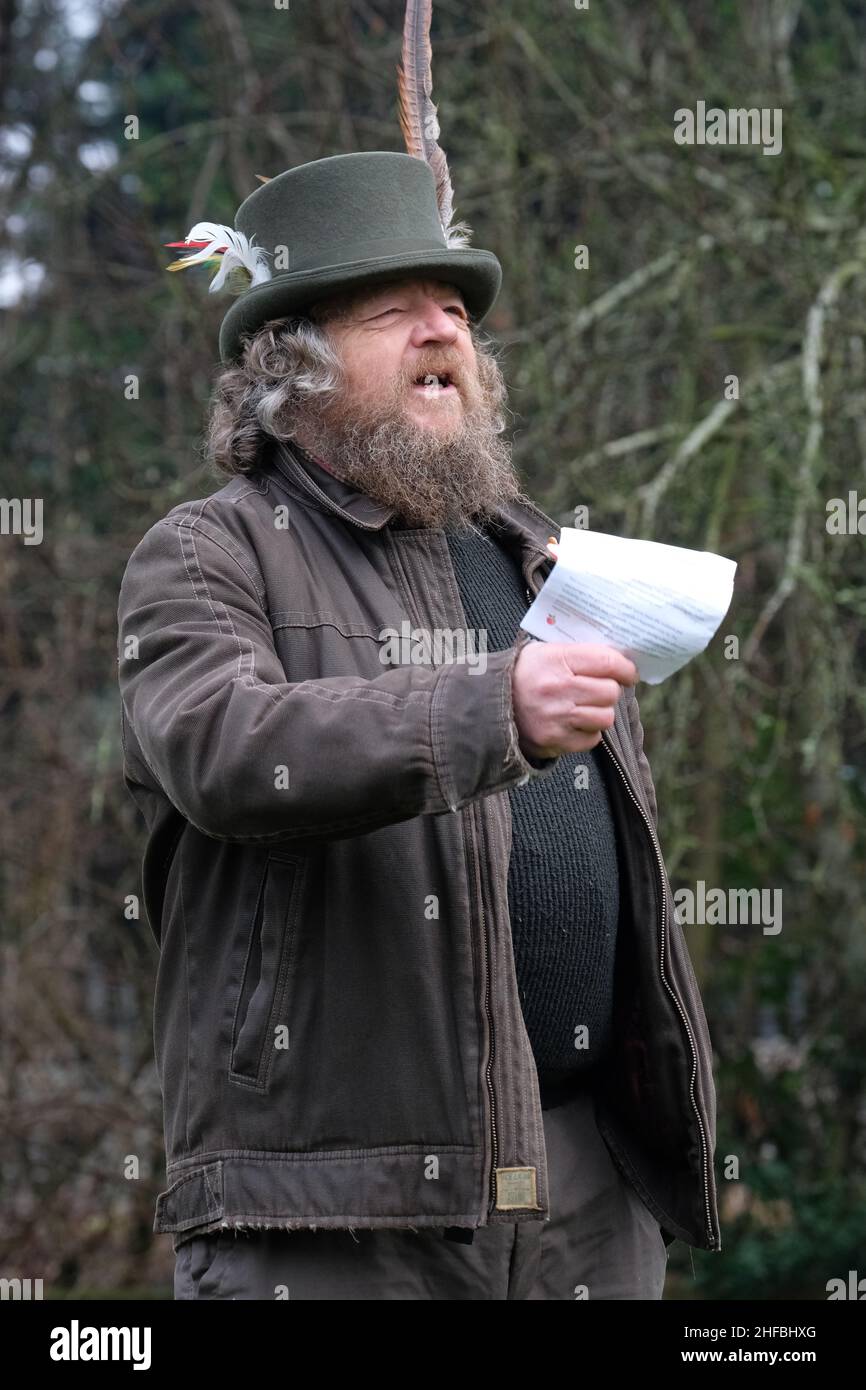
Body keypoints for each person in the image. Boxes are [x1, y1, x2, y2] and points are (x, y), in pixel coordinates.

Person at [117, 150, 720, 1301]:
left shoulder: (529, 547)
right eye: (394, 311)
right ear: (290, 370)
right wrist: (491, 704)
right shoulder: (205, 553)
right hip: (341, 1204)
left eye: (454, 309)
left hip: (584, 1183)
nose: (443, 331)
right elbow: (228, 749)